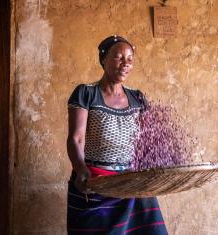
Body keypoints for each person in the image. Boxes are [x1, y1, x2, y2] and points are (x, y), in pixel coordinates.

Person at [67, 35, 168, 234]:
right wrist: (81, 170)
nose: (125, 64)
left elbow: (146, 142)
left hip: (132, 183)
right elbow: (76, 139)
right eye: (119, 57)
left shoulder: (137, 97)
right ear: (103, 59)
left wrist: (153, 171)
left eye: (130, 59)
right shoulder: (86, 93)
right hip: (96, 183)